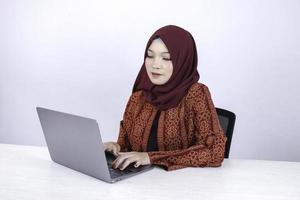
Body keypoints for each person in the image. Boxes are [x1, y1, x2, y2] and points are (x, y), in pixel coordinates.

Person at [104, 25, 227, 171]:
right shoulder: (138, 98)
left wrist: (150, 157)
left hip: (184, 187)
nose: (155, 65)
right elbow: (128, 148)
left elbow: (214, 151)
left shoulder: (196, 94)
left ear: (183, 60)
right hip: (139, 185)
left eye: (166, 58)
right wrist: (115, 148)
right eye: (150, 56)